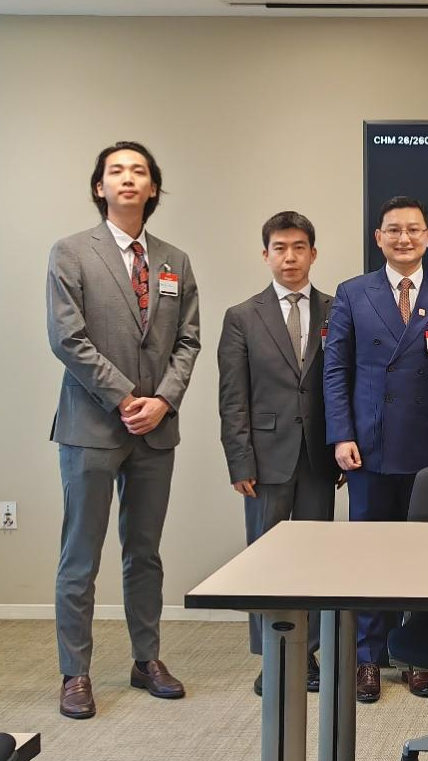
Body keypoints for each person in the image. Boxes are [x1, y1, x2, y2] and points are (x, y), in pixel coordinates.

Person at [46, 141, 200, 719]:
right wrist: (126, 397)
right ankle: (75, 673)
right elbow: (67, 338)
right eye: (116, 171)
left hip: (155, 430)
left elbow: (188, 340)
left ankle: (146, 660)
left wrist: (162, 401)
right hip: (91, 425)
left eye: (139, 171)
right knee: (80, 557)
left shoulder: (174, 260)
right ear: (100, 187)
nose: (128, 178)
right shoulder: (70, 252)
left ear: (153, 188)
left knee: (144, 552)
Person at [323, 196, 428, 702]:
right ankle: (368, 657)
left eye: (413, 230)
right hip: (368, 444)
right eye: (393, 230)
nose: (403, 238)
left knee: (421, 554)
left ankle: (415, 655)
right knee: (369, 552)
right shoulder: (352, 292)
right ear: (379, 238)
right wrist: (341, 434)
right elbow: (336, 370)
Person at [217, 211, 342, 697]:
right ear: (265, 255)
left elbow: (346, 384)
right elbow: (233, 397)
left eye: (299, 247)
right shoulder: (242, 316)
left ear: (313, 253)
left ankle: (306, 653)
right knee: (264, 561)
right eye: (280, 248)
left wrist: (341, 444)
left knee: (315, 559)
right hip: (264, 458)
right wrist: (239, 460)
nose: (290, 257)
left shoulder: (338, 309)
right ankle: (270, 656)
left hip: (319, 456)